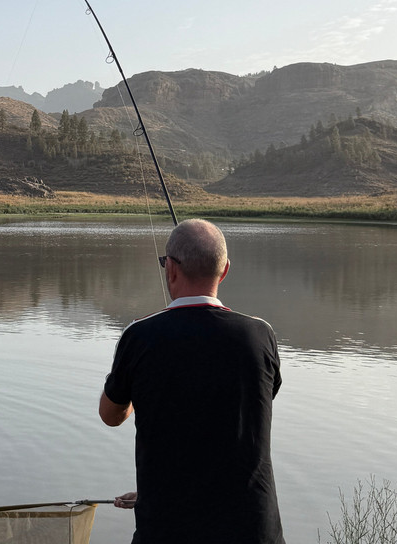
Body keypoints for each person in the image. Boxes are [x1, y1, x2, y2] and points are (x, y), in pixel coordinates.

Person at [99, 219, 285, 543]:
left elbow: (110, 415)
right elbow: (233, 416)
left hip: (167, 531)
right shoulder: (261, 335)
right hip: (254, 532)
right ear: (225, 270)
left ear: (170, 268)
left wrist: (136, 383)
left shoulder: (139, 336)